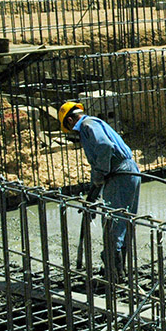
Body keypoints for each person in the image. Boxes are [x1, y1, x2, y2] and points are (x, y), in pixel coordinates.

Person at [59, 101, 140, 282]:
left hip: (119, 173)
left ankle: (114, 272)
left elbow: (104, 147)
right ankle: (119, 270)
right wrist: (93, 194)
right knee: (125, 221)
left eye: (71, 129)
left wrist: (99, 173)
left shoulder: (87, 125)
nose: (74, 133)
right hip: (129, 172)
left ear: (71, 120)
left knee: (113, 222)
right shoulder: (95, 123)